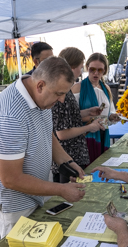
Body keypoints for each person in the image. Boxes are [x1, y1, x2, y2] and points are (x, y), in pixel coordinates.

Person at [0, 56, 86, 238]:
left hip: (36, 194)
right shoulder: (10, 114)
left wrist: (68, 161)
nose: (62, 100)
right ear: (40, 86)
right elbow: (10, 179)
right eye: (58, 94)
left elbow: (48, 134)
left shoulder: (40, 98)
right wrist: (61, 190)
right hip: (15, 205)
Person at [52, 47, 105, 183]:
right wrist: (89, 127)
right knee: (69, 199)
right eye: (81, 67)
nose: (81, 71)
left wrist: (88, 112)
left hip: (73, 155)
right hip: (67, 158)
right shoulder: (61, 90)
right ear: (71, 67)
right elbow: (62, 133)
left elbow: (68, 117)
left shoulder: (67, 88)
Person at [72, 53, 121, 163]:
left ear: (104, 71)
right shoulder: (77, 88)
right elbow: (70, 117)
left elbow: (109, 112)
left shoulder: (106, 88)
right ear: (87, 67)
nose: (96, 73)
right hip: (84, 138)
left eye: (100, 70)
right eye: (92, 69)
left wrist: (112, 117)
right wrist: (91, 121)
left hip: (103, 135)